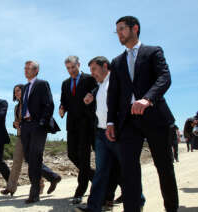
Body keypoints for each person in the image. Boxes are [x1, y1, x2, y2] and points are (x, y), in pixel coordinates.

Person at [106, 16, 178, 212]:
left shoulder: (153, 51)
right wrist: (111, 121)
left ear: (134, 28)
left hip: (155, 117)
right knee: (128, 170)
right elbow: (113, 95)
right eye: (117, 30)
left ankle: (171, 208)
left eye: (122, 29)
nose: (119, 33)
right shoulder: (117, 61)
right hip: (128, 122)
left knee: (164, 168)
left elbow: (164, 77)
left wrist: (148, 99)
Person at [73, 56, 145, 212]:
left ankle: (138, 201)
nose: (92, 73)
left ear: (105, 66)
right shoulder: (99, 86)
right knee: (101, 172)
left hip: (117, 132)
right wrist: (89, 98)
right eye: (90, 70)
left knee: (128, 169)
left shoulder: (117, 80)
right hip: (100, 133)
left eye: (94, 69)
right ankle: (94, 207)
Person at [20, 60, 61, 204]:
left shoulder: (42, 84)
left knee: (35, 158)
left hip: (38, 125)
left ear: (36, 71)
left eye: (29, 68)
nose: (25, 70)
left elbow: (49, 104)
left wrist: (42, 122)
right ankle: (52, 177)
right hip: (25, 126)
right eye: (25, 68)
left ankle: (34, 193)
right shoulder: (24, 87)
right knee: (29, 159)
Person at [59, 55, 97, 204]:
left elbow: (97, 91)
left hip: (87, 123)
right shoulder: (65, 83)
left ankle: (80, 191)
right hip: (72, 124)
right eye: (68, 68)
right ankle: (95, 177)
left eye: (73, 67)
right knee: (72, 154)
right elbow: (64, 101)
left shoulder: (89, 79)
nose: (71, 71)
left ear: (78, 65)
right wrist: (62, 108)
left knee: (84, 156)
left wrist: (92, 95)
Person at [0, 84, 45, 196]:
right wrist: (15, 125)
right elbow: (17, 121)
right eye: (15, 91)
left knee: (33, 162)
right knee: (16, 161)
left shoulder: (30, 103)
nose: (16, 93)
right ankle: (11, 188)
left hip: (32, 136)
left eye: (18, 90)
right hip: (21, 136)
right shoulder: (16, 107)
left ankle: (40, 184)